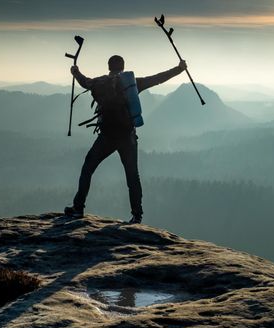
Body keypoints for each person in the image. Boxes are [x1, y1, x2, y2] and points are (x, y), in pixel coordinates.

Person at [65, 55, 187, 223]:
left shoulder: (100, 82)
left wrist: (75, 71)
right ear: (123, 67)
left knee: (88, 167)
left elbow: (84, 82)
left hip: (107, 136)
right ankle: (137, 215)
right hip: (127, 137)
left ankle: (78, 208)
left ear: (108, 66)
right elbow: (158, 79)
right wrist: (179, 69)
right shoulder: (131, 83)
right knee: (132, 176)